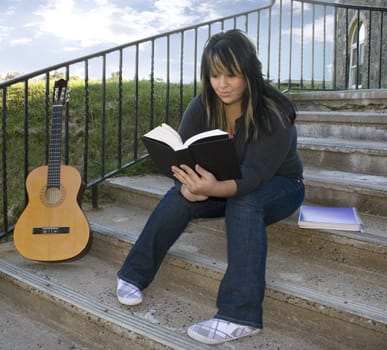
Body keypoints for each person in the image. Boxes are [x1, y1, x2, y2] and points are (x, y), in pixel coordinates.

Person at [116, 29, 305, 345]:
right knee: (179, 197)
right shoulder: (203, 104)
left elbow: (254, 178)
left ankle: (240, 315)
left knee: (245, 203)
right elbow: (183, 154)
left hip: (279, 186)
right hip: (220, 181)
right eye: (215, 75)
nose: (222, 84)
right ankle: (133, 274)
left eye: (231, 74)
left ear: (249, 71)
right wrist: (188, 185)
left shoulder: (273, 111)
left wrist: (212, 189)